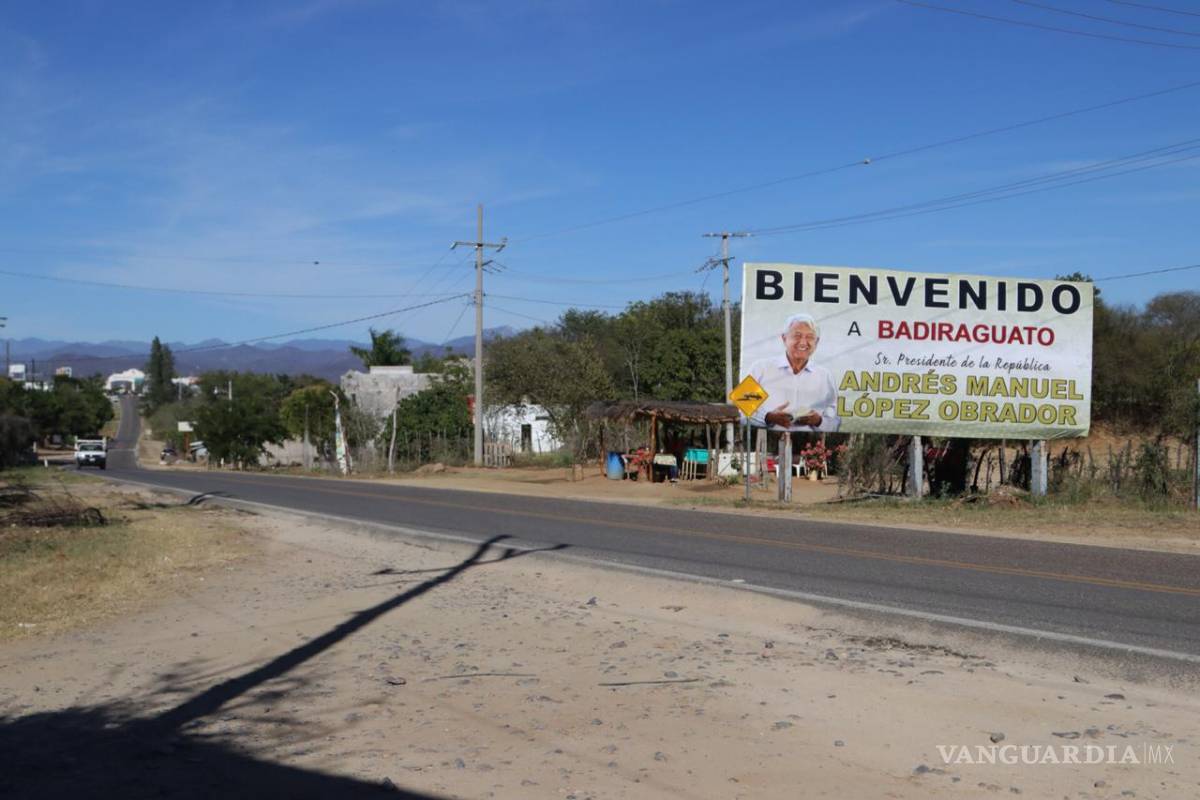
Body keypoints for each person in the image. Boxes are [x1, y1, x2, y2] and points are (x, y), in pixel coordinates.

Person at [746, 312, 840, 432]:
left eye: (810, 337)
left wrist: (818, 421)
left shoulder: (824, 376)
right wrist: (768, 417)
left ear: (816, 342)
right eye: (797, 335)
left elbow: (835, 421)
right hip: (765, 442)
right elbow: (741, 408)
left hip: (809, 444)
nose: (803, 342)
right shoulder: (761, 368)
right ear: (784, 338)